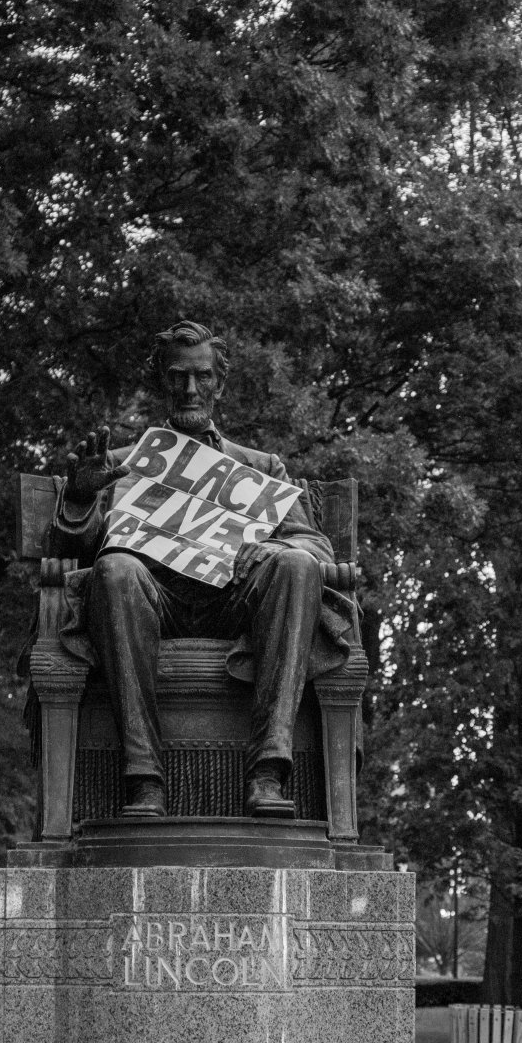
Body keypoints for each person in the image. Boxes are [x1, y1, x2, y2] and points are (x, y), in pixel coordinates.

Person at [51, 320, 351, 818]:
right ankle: (143, 778)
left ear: (219, 383)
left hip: (236, 604)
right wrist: (81, 497)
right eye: (178, 376)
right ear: (161, 382)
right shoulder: (119, 466)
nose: (190, 389)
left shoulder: (261, 467)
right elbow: (71, 551)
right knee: (115, 569)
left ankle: (268, 772)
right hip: (150, 601)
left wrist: (267, 548)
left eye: (203, 376)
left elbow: (313, 545)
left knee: (296, 564)